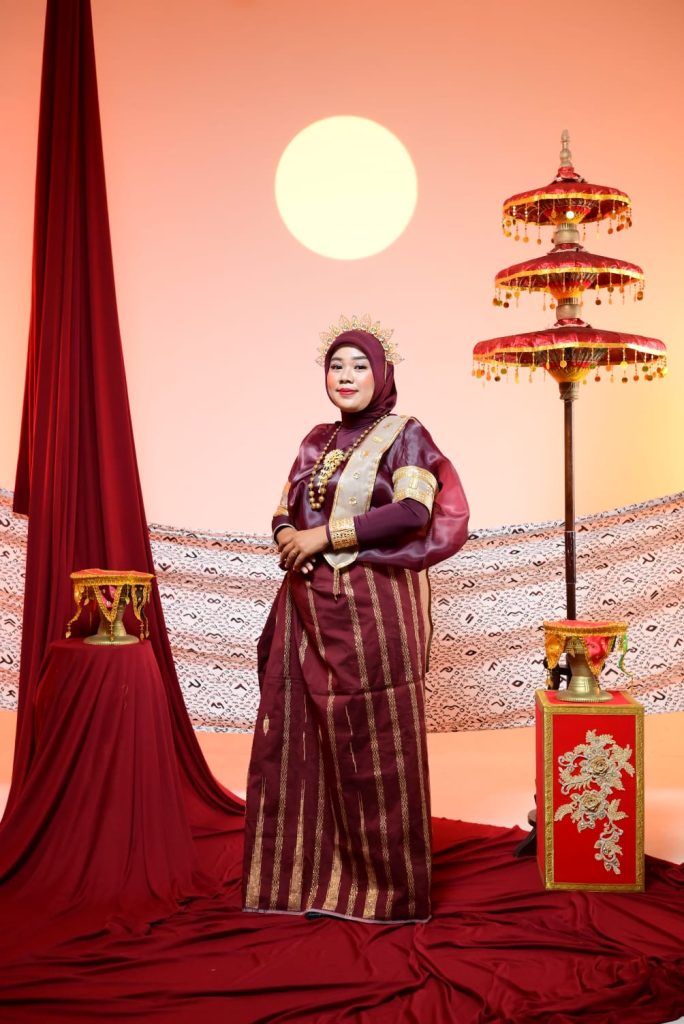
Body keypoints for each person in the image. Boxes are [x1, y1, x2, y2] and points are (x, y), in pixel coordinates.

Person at [243, 315, 469, 923]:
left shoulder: (405, 434)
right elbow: (283, 509)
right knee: (298, 732)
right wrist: (289, 536)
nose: (346, 376)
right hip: (306, 601)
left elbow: (414, 511)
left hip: (372, 605)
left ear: (382, 373)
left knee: (370, 735)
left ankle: (383, 890)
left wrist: (323, 537)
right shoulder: (315, 439)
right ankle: (302, 881)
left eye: (359, 366)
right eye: (336, 366)